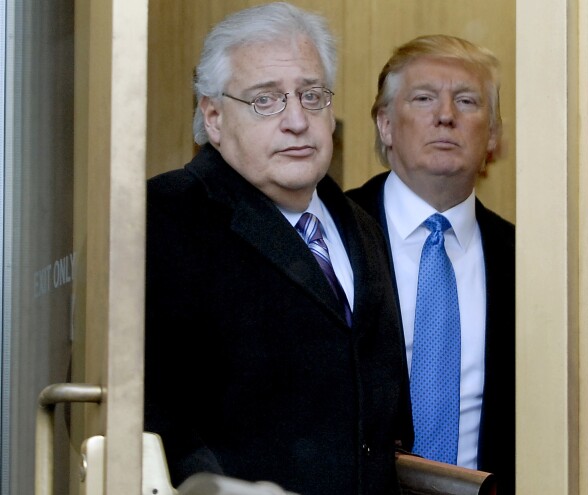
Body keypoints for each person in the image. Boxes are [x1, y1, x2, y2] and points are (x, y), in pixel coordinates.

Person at [143, 3, 411, 494]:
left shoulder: (359, 225)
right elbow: (156, 417)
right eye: (265, 100)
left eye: (311, 96)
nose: (296, 120)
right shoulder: (166, 218)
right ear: (215, 117)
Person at [346, 34, 515, 493]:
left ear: (494, 135)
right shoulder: (330, 238)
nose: (446, 115)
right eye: (423, 99)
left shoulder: (523, 261)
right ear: (385, 124)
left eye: (466, 100)